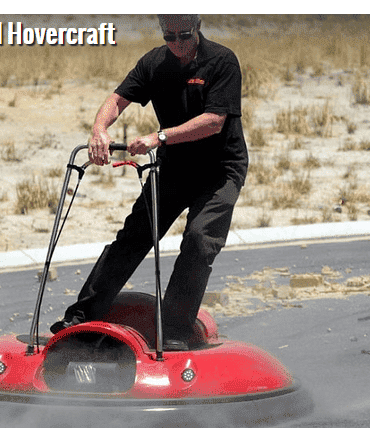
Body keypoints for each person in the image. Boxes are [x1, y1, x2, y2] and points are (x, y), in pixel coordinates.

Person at [51, 14, 248, 346]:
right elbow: (117, 100)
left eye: (183, 35)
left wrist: (159, 137)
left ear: (198, 26)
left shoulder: (222, 61)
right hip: (175, 168)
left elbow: (214, 121)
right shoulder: (154, 63)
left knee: (199, 240)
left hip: (219, 170)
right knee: (135, 235)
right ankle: (82, 316)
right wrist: (99, 130)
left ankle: (174, 331)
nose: (176, 43)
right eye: (169, 36)